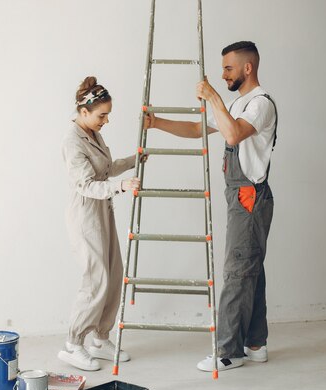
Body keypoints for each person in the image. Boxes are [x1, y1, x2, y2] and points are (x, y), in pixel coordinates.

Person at [144, 41, 278, 371]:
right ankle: (256, 343)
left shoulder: (259, 105)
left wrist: (213, 97)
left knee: (237, 271)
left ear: (248, 68)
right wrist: (157, 122)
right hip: (242, 198)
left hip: (250, 198)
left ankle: (228, 352)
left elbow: (232, 136)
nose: (223, 75)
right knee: (251, 269)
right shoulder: (239, 103)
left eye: (228, 69)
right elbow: (197, 129)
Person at [59, 76, 141, 371]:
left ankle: (100, 337)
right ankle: (73, 343)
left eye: (107, 114)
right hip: (85, 215)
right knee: (96, 279)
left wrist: (134, 160)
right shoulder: (72, 141)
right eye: (101, 115)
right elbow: (86, 184)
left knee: (114, 273)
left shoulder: (93, 134)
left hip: (103, 212)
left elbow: (104, 168)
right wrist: (121, 187)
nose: (105, 120)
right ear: (84, 111)